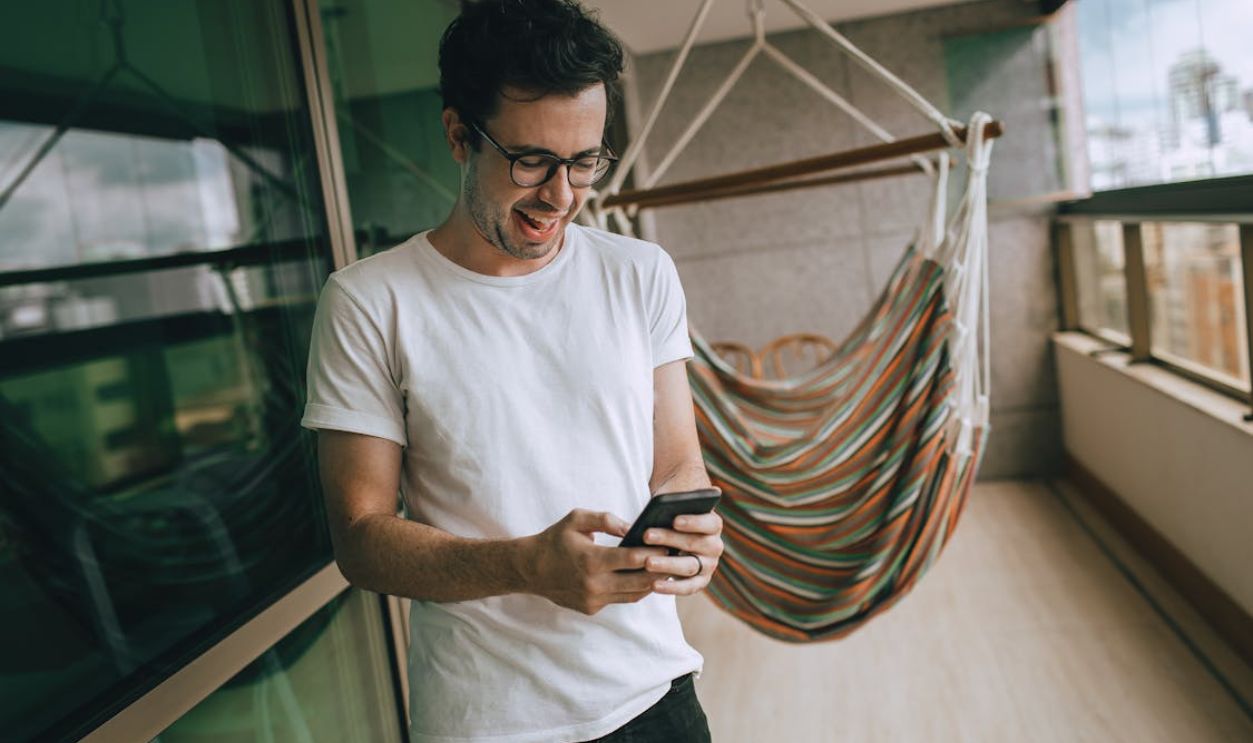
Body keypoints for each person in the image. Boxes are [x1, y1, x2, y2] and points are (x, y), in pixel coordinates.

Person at [300, 1, 723, 741]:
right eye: (531, 160)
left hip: (654, 694)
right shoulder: (368, 301)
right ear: (459, 134)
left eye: (585, 161)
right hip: (489, 722)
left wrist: (691, 533)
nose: (560, 195)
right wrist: (527, 565)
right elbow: (361, 541)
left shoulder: (640, 273)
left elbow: (676, 459)